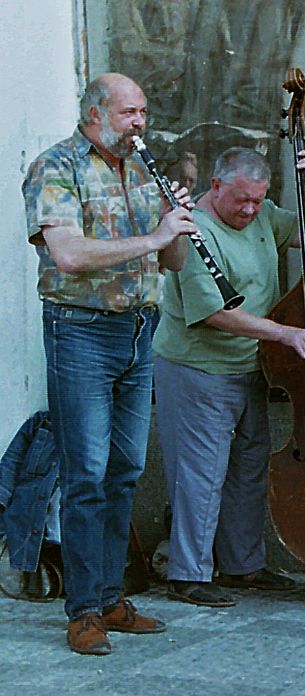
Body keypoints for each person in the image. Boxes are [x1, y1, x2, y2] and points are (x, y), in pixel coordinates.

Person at [22, 72, 197, 655]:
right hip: (80, 333)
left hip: (139, 328)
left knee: (124, 469)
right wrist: (153, 239)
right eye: (129, 113)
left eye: (143, 112)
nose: (141, 123)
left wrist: (176, 226)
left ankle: (112, 595)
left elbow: (171, 260)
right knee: (87, 475)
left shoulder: (143, 169)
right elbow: (68, 254)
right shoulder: (57, 166)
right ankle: (83, 611)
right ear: (95, 114)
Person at [153, 146, 305, 607]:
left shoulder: (262, 215)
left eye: (258, 199)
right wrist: (282, 332)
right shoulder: (194, 229)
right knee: (200, 473)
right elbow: (212, 312)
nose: (251, 209)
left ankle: (243, 566)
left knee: (249, 469)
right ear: (215, 186)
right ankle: (188, 574)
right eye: (242, 200)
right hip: (199, 367)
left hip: (252, 365)